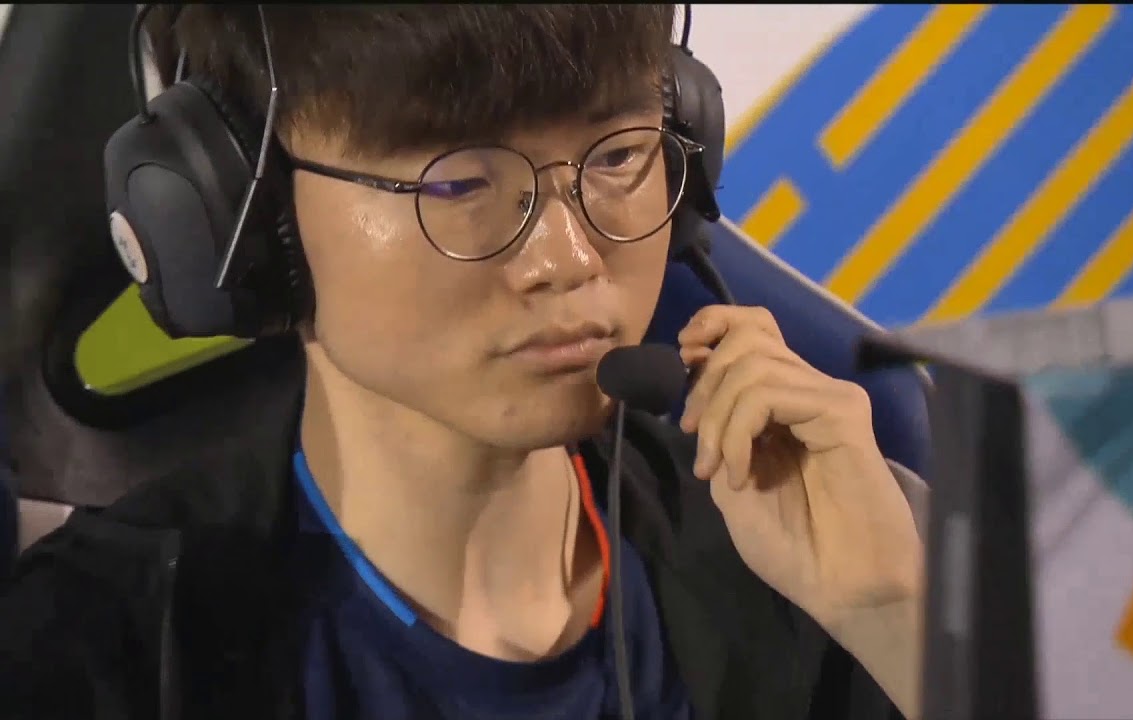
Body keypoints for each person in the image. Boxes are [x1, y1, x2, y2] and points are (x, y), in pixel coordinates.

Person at [0, 5, 928, 719]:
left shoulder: (815, 560)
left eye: (617, 156)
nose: (569, 257)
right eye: (459, 182)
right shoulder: (91, 654)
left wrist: (897, 623)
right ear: (245, 217)